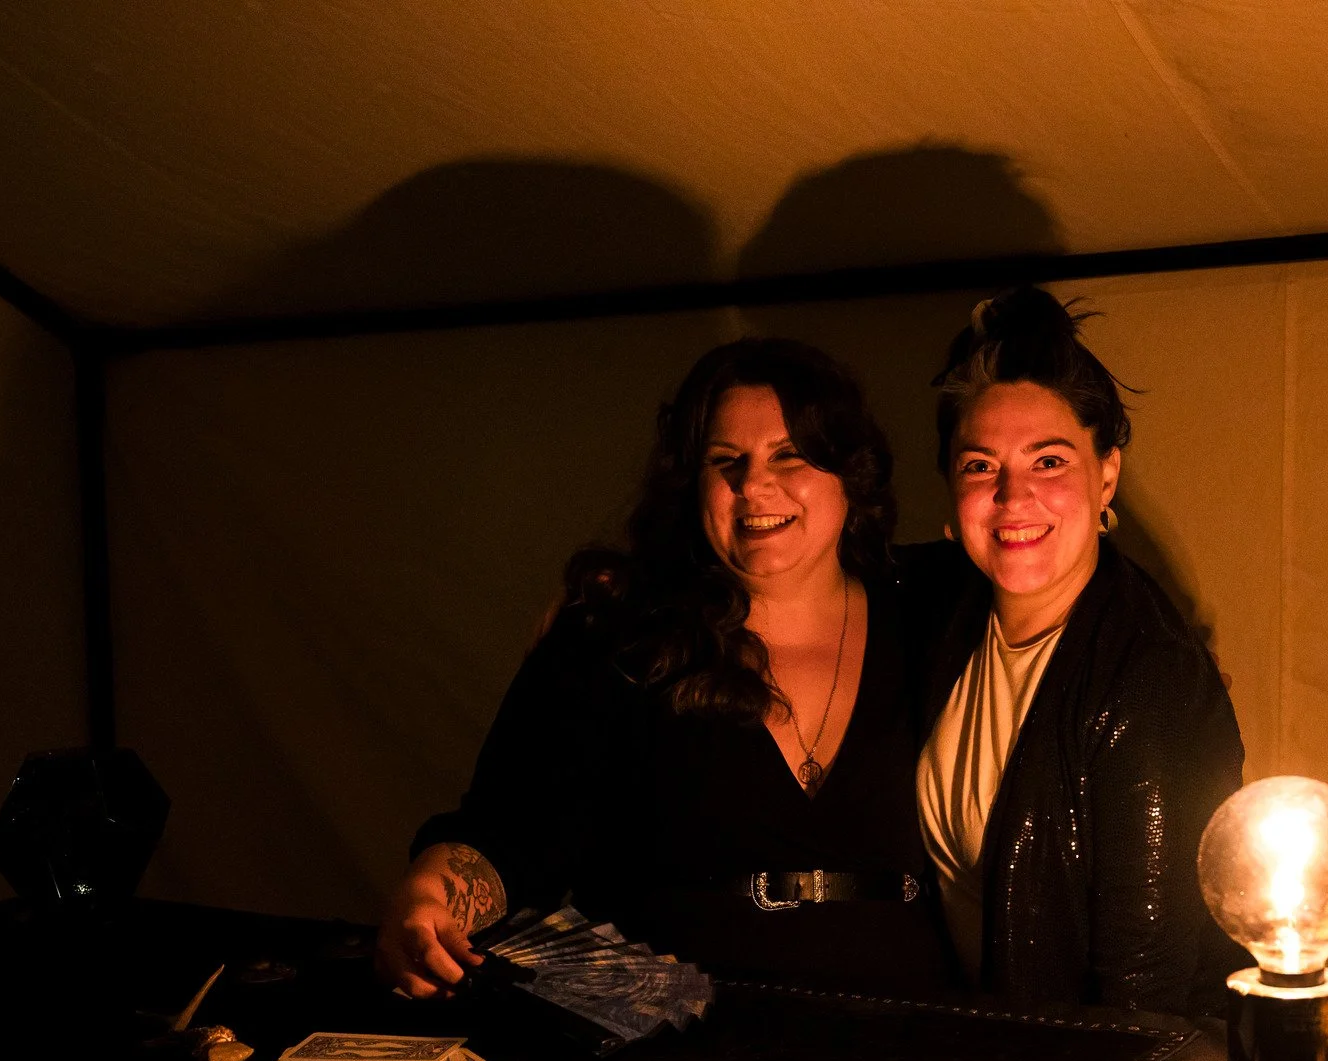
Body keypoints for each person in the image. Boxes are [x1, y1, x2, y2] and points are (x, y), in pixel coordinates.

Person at [377, 338, 951, 999]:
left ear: (850, 469)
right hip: (671, 1032)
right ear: (690, 484)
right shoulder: (618, 638)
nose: (753, 485)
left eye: (788, 454)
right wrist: (430, 897)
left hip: (903, 1030)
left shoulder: (936, 609)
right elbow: (510, 830)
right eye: (724, 460)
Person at [910, 287, 1246, 1018]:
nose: (1013, 497)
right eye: (980, 466)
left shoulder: (1150, 675)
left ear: (1107, 474)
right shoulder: (941, 613)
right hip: (976, 1051)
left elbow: (1144, 984)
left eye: (1049, 461)